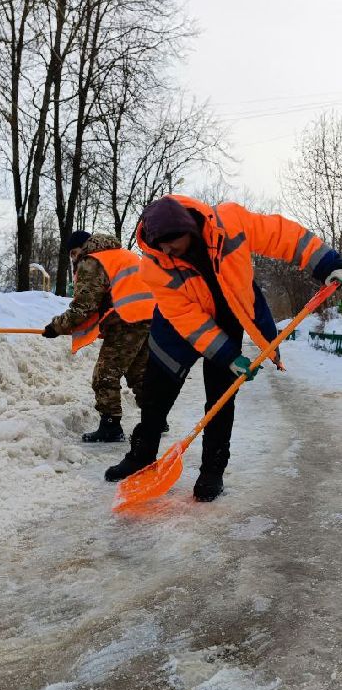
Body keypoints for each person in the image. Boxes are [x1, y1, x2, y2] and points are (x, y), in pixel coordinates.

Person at [105, 194, 342, 499]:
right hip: (177, 325)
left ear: (186, 228)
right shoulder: (154, 266)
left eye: (170, 242)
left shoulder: (231, 222)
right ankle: (141, 456)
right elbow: (188, 319)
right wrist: (227, 354)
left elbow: (283, 236)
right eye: (158, 245)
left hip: (229, 314)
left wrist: (327, 263)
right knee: (155, 395)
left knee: (221, 397)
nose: (165, 250)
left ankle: (212, 471)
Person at [43, 230, 155, 442]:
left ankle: (110, 427)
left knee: (105, 375)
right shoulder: (123, 254)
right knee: (139, 373)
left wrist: (56, 327)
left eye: (74, 252)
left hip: (127, 319)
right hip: (150, 317)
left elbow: (83, 307)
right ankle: (156, 418)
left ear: (84, 246)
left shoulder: (92, 260)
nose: (74, 258)